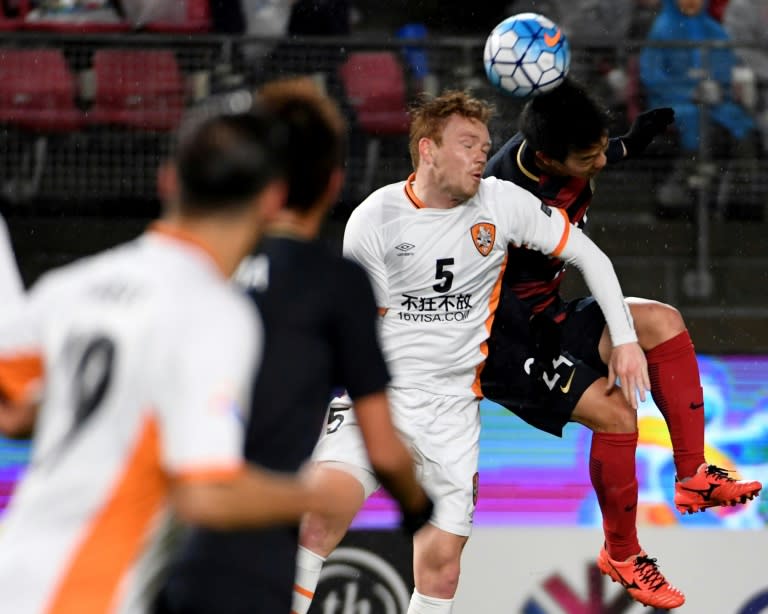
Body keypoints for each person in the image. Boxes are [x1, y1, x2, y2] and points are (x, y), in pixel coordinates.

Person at [292, 89, 651, 614]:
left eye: (485, 144)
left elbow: (589, 256)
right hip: (381, 401)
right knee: (317, 520)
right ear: (427, 150)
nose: (483, 154)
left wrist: (624, 340)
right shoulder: (376, 218)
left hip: (454, 414)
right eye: (467, 144)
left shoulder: (501, 202)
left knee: (441, 568)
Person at [0, 90, 338, 614]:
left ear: (168, 181)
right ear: (272, 201)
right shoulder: (214, 312)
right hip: (89, 593)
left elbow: (13, 411)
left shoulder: (74, 283)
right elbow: (203, 496)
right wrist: (312, 497)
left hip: (15, 570)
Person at [480, 77, 762, 609]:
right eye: (591, 156)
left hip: (550, 315)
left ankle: (693, 475)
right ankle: (623, 553)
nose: (602, 162)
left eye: (602, 148)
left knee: (662, 321)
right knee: (616, 414)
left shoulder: (561, 150)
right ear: (547, 160)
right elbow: (491, 288)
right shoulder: (504, 199)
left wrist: (632, 140)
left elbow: (597, 153)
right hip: (509, 341)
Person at [156, 77, 432, 614]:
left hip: (163, 542)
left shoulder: (200, 264)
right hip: (249, 555)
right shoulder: (335, 283)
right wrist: (418, 505)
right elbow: (382, 446)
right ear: (333, 184)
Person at [639, 0, 760, 217]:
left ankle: (743, 198)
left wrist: (716, 89)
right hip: (670, 101)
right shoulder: (662, 29)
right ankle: (681, 192)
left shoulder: (714, 30)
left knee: (742, 123)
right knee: (695, 120)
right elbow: (652, 76)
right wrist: (689, 91)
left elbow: (726, 69)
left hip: (712, 103)